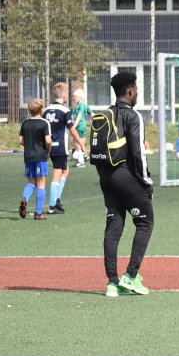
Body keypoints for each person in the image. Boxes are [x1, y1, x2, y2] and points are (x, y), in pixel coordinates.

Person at [96, 72, 154, 297]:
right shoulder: (133, 115)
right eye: (136, 90)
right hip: (127, 177)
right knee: (145, 223)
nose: (137, 93)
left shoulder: (106, 114)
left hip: (106, 177)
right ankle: (130, 276)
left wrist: (106, 177)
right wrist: (146, 181)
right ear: (130, 91)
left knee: (114, 226)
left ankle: (112, 283)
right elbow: (139, 152)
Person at [44, 82, 85, 214]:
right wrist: (82, 144)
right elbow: (72, 130)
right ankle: (52, 206)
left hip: (50, 147)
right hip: (59, 147)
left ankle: (56, 199)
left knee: (65, 171)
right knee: (57, 174)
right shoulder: (65, 111)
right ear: (64, 96)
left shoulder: (46, 110)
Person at [17, 98, 51, 221]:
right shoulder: (44, 123)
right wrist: (47, 151)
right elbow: (48, 141)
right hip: (40, 156)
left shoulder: (25, 123)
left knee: (31, 183)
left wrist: (29, 147)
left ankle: (24, 199)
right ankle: (38, 213)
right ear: (41, 110)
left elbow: (21, 140)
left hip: (28, 156)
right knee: (41, 183)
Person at [71, 88, 91, 168]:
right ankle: (84, 155)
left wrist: (74, 126)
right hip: (77, 127)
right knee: (73, 141)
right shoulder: (77, 105)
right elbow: (73, 116)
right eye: (74, 96)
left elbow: (79, 116)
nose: (74, 98)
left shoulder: (82, 105)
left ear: (80, 97)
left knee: (78, 144)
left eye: (76, 96)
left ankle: (81, 161)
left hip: (80, 127)